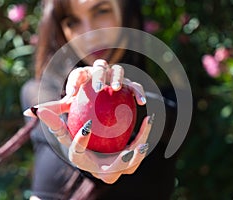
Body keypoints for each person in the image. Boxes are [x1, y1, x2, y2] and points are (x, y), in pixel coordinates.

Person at [20, 0, 178, 199]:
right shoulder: (40, 94)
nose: (89, 32)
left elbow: (168, 116)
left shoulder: (170, 96)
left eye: (101, 11)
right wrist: (83, 106)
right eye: (72, 22)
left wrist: (129, 103)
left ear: (128, 11)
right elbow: (64, 137)